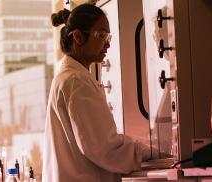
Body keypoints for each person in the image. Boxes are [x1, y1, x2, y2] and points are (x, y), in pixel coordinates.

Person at [42, 3, 150, 182]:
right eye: (101, 35)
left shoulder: (67, 77)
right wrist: (147, 152)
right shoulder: (76, 81)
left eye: (108, 36)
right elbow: (103, 148)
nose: (107, 43)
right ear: (78, 37)